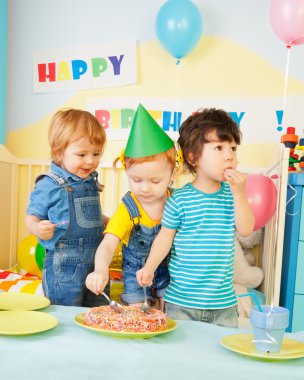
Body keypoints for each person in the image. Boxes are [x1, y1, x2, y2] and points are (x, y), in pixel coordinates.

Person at [137, 108, 255, 327]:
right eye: (219, 148)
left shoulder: (233, 196)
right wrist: (149, 267)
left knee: (220, 357)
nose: (229, 155)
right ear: (193, 157)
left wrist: (239, 194)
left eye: (233, 148)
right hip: (181, 303)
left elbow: (246, 229)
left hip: (223, 304)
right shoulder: (179, 200)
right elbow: (165, 238)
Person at [86, 104, 178, 310]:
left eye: (155, 181)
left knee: (169, 313)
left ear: (173, 175)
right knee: (137, 313)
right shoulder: (128, 208)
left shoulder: (177, 201)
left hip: (169, 271)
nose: (145, 188)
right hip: (135, 275)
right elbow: (109, 243)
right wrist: (101, 269)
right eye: (136, 180)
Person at [25, 108, 110, 307]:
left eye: (96, 153)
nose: (90, 160)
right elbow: (31, 217)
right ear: (59, 153)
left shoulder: (89, 181)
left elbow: (91, 215)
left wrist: (107, 222)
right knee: (64, 311)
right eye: (82, 154)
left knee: (98, 308)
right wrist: (37, 228)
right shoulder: (49, 184)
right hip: (64, 265)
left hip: (96, 261)